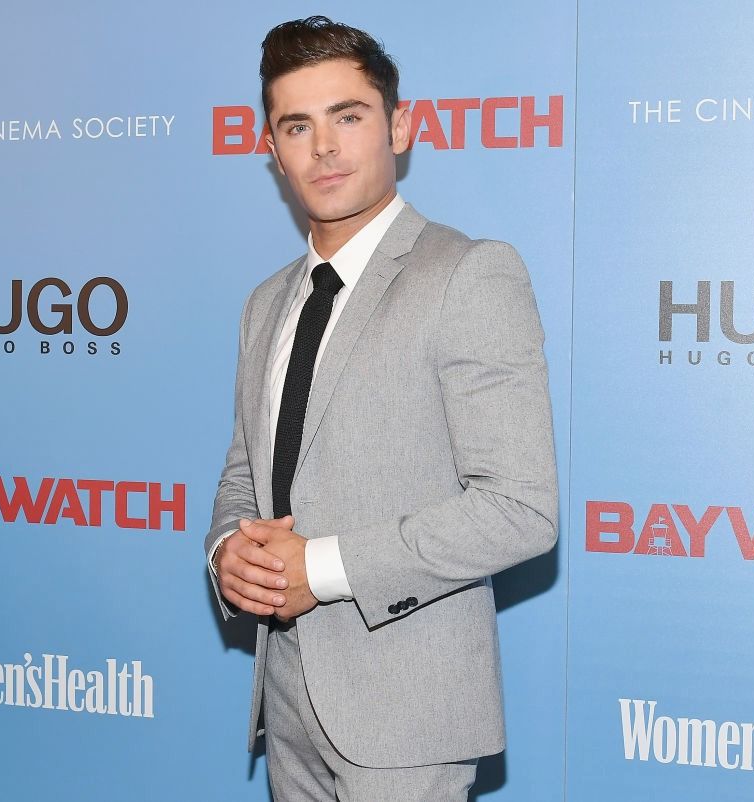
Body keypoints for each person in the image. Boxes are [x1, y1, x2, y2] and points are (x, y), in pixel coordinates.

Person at [205, 15, 558, 801]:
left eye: (348, 116)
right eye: (297, 126)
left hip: (408, 713)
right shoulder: (266, 304)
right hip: (286, 701)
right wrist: (228, 551)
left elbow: (521, 509)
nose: (324, 147)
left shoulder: (468, 275)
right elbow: (245, 474)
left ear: (400, 128)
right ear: (272, 150)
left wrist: (320, 568)